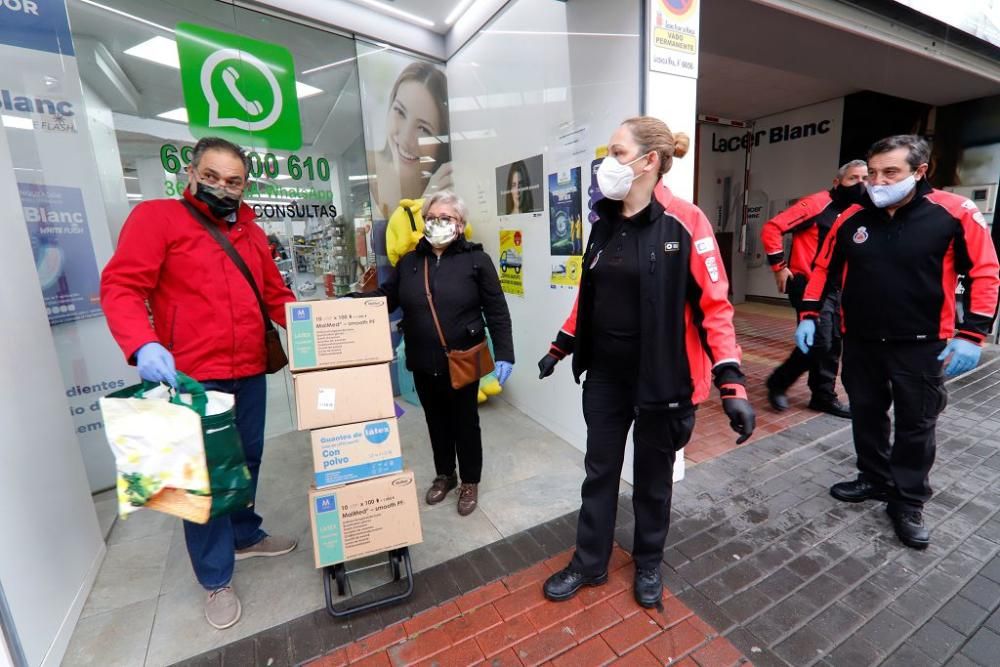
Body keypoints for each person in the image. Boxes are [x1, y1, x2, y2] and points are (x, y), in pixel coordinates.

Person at [536, 117, 756, 607]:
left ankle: (649, 561)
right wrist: (562, 345)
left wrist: (732, 384)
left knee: (653, 480)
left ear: (648, 161)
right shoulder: (602, 223)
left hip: (663, 379)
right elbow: (587, 298)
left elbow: (715, 307)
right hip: (607, 378)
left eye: (616, 153)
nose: (605, 164)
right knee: (599, 473)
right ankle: (589, 562)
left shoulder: (687, 222)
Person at [101, 137, 298, 630]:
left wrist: (331, 330)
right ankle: (215, 578)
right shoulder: (157, 219)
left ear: (244, 186)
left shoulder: (250, 233)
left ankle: (245, 534)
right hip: (191, 375)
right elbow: (122, 285)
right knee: (201, 480)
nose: (221, 188)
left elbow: (276, 296)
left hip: (248, 369)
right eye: (211, 177)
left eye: (232, 182)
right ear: (191, 174)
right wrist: (141, 343)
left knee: (248, 458)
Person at [796, 135, 999, 550]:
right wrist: (809, 313)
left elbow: (986, 272)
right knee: (867, 415)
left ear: (920, 171)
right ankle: (873, 477)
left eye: (891, 172)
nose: (877, 181)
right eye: (872, 173)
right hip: (862, 342)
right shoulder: (851, 217)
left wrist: (972, 334)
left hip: (922, 345)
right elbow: (823, 268)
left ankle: (907, 500)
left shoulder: (954, 212)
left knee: (916, 425)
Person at [356, 191, 514, 516]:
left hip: (462, 358)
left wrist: (506, 353)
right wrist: (355, 301)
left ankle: (470, 480)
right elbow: (388, 296)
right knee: (436, 422)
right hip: (423, 359)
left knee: (465, 423)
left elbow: (496, 310)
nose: (437, 223)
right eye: (432, 218)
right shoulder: (410, 262)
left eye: (446, 218)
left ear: (460, 224)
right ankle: (446, 475)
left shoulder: (476, 260)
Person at [761, 160, 868, 418]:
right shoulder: (817, 203)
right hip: (809, 284)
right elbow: (772, 228)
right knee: (820, 342)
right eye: (854, 178)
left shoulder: (860, 211)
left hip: (839, 289)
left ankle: (822, 396)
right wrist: (779, 267)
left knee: (832, 344)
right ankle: (779, 382)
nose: (861, 184)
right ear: (837, 182)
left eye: (866, 178)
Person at [369, 62, 452, 221]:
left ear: (441, 145)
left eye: (423, 129)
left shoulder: (444, 187)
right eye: (400, 111)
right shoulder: (366, 166)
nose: (406, 139)